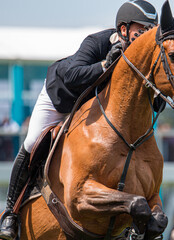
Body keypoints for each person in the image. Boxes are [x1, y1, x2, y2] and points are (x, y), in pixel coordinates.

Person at [0, 1, 160, 239]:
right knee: (33, 141)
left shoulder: (143, 61)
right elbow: (74, 74)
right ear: (124, 29)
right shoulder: (98, 41)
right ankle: (10, 213)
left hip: (91, 108)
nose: (146, 35)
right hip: (61, 98)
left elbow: (154, 104)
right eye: (142, 29)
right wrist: (106, 63)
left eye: (151, 30)